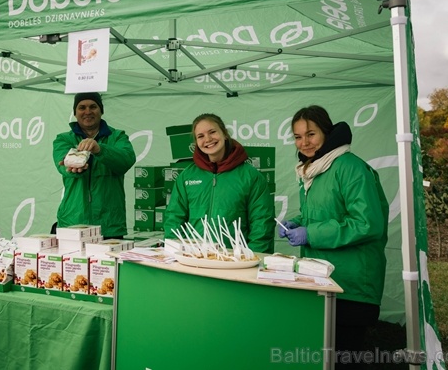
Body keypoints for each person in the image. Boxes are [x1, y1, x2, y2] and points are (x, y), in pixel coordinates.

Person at [279, 105, 389, 368]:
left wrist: (311, 233)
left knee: (344, 358)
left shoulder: (350, 167)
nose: (304, 142)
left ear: (326, 133)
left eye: (311, 134)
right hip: (324, 279)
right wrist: (298, 222)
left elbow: (366, 223)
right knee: (325, 358)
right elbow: (327, 213)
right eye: (297, 136)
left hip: (351, 285)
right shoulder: (313, 168)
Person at [164, 113, 274, 254]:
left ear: (225, 134)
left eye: (212, 132)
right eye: (200, 136)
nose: (208, 139)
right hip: (194, 258)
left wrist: (251, 257)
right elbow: (174, 218)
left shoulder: (251, 176)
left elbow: (262, 223)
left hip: (233, 261)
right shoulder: (186, 176)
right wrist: (175, 252)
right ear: (196, 142)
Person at [52, 92, 136, 239]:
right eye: (82, 107)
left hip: (109, 224)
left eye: (93, 107)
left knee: (108, 263)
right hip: (73, 222)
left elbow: (126, 160)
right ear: (75, 112)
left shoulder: (117, 137)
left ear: (101, 110)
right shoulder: (63, 139)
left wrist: (100, 149)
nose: (87, 112)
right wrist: (75, 168)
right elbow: (63, 167)